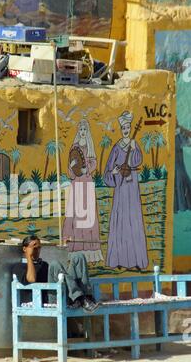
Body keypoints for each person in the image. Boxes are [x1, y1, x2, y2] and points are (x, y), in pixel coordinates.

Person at [103, 111, 149, 270]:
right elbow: (108, 170)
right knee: (121, 222)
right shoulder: (116, 147)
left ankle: (137, 260)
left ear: (130, 128)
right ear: (121, 128)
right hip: (121, 188)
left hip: (132, 187)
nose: (126, 130)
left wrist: (134, 149)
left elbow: (137, 161)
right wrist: (114, 173)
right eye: (123, 127)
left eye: (128, 127)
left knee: (134, 221)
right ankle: (119, 260)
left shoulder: (134, 144)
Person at [12, 235, 99, 311]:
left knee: (78, 257)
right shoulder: (19, 266)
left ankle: (87, 297)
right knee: (54, 264)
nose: (37, 251)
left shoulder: (44, 264)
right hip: (50, 299)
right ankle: (80, 298)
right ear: (25, 249)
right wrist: (29, 257)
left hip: (62, 294)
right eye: (34, 248)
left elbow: (56, 278)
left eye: (39, 248)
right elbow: (31, 279)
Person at [63, 119, 103, 264]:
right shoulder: (74, 147)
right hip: (76, 183)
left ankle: (89, 251)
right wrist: (73, 166)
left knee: (87, 215)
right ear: (78, 132)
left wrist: (87, 169)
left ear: (87, 132)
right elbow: (71, 170)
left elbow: (93, 163)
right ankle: (74, 248)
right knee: (74, 215)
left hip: (86, 183)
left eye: (85, 130)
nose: (82, 132)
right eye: (80, 130)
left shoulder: (90, 148)